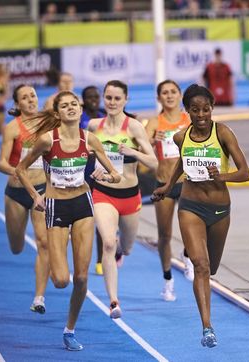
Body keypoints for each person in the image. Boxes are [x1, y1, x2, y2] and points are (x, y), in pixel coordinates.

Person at [15, 91, 121, 351]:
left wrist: (107, 177)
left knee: (82, 278)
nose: (71, 108)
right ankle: (55, 258)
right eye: (65, 105)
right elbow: (20, 169)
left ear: (80, 108)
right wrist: (35, 196)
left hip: (83, 204)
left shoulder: (91, 139)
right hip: (56, 205)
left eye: (74, 104)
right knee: (62, 280)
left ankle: (69, 330)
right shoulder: (47, 141)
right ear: (57, 113)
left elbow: (116, 175)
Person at [152, 84, 249, 348]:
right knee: (201, 267)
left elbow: (245, 173)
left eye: (206, 109)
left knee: (212, 267)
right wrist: (167, 186)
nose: (201, 114)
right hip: (190, 206)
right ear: (188, 111)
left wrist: (222, 176)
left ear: (212, 108)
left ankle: (193, 254)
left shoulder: (224, 133)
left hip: (219, 209)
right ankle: (207, 327)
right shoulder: (181, 137)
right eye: (195, 110)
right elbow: (182, 163)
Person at [87, 80, 158, 318]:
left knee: (126, 247)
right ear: (103, 99)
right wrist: (92, 170)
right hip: (103, 193)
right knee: (107, 242)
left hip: (129, 196)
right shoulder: (94, 126)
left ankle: (119, 251)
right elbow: (84, 155)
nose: (113, 102)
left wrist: (133, 151)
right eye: (108, 97)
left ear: (125, 100)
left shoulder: (134, 127)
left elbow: (154, 162)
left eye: (117, 98)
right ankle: (114, 301)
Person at [0, 84, 49, 314]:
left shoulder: (48, 124)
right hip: (17, 193)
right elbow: (2, 163)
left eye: (33, 96)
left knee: (44, 243)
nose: (31, 100)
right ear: (17, 104)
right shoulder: (12, 129)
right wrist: (18, 171)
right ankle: (16, 244)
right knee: (16, 247)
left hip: (42, 190)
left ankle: (39, 298)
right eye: (25, 98)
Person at [145, 80, 192, 302]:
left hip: (187, 183)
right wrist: (152, 140)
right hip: (164, 185)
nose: (170, 96)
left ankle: (188, 254)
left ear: (180, 95)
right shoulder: (155, 122)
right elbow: (141, 147)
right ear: (159, 98)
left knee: (191, 228)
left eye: (173, 92)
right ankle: (168, 280)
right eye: (165, 93)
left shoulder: (189, 119)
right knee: (164, 235)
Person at [80, 85, 107, 275]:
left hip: (102, 171)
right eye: (89, 97)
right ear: (84, 99)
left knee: (101, 218)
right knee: (85, 219)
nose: (94, 100)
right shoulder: (79, 117)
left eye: (96, 96)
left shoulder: (104, 113)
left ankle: (100, 260)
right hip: (82, 173)